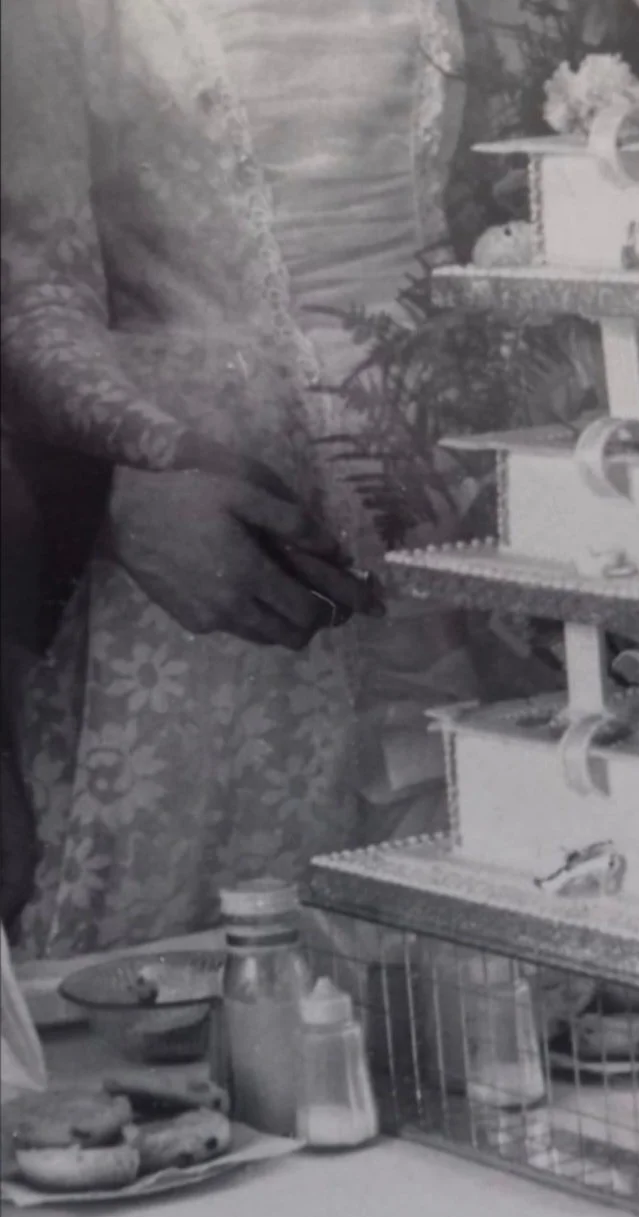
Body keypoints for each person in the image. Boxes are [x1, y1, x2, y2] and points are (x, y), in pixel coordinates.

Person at [1, 0, 433, 958]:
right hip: (211, 548)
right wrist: (138, 471)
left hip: (454, 554)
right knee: (223, 1016)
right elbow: (32, 290)